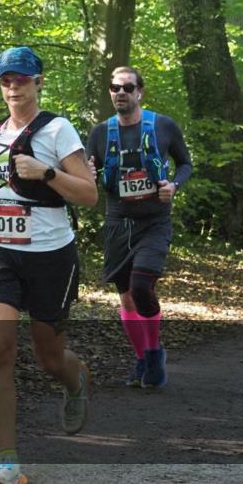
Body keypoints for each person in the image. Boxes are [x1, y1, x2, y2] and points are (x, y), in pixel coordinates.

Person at [0, 46, 97, 484]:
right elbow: (4, 185)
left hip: (50, 255)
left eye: (21, 78)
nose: (13, 86)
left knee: (49, 357)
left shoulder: (58, 130)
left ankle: (74, 380)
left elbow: (89, 194)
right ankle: (8, 461)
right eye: (6, 80)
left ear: (38, 82)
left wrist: (47, 173)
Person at [85, 66, 193, 390]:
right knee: (127, 297)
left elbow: (185, 164)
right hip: (118, 222)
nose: (121, 92)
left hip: (154, 221)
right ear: (110, 92)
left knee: (142, 287)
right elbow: (89, 172)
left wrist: (173, 185)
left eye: (128, 88)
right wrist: (86, 172)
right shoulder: (99, 133)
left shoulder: (163, 125)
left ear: (139, 92)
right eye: (115, 87)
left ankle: (154, 351)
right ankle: (144, 358)